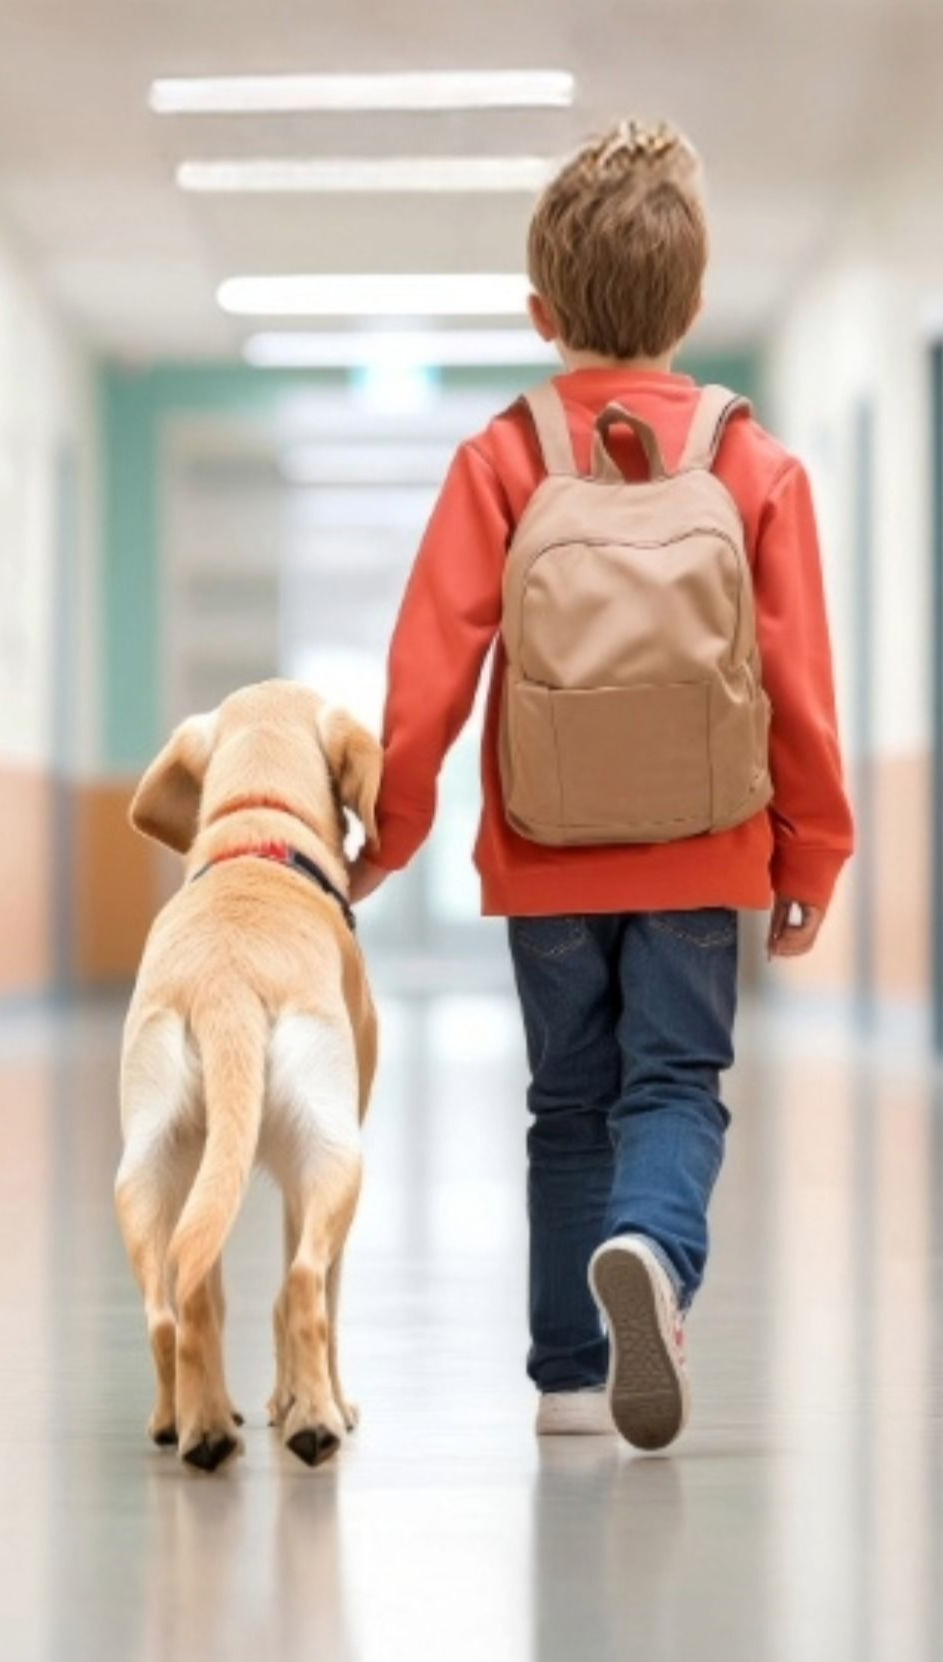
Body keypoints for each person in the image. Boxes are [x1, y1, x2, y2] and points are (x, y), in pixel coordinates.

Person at [348, 119, 854, 1450]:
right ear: (694, 304)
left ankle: (572, 1379)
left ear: (540, 310)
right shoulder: (754, 463)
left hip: (548, 844)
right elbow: (799, 689)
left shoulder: (504, 458)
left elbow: (429, 672)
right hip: (706, 841)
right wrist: (812, 857)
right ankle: (649, 1247)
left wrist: (389, 835)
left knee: (566, 1098)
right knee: (674, 1086)